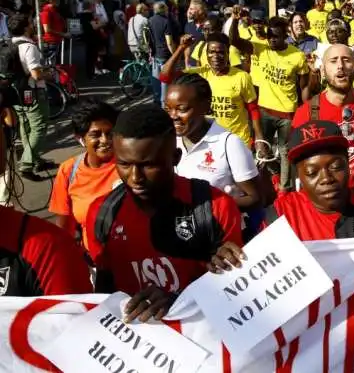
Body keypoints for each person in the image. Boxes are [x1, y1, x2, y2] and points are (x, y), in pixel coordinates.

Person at [85, 104, 243, 322]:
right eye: (124, 164)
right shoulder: (101, 213)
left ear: (175, 158)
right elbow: (104, 292)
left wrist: (178, 302)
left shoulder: (215, 206)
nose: (135, 177)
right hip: (138, 345)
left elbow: (237, 292)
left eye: (148, 165)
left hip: (202, 335)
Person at [209, 121, 354, 264]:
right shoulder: (279, 217)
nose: (326, 178)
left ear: (348, 165)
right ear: (299, 175)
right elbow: (251, 266)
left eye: (335, 167)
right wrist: (229, 258)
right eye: (312, 172)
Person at [166, 74, 271, 239]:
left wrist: (207, 206)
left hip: (223, 241)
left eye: (182, 109)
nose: (173, 116)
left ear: (205, 107)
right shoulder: (169, 140)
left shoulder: (229, 143)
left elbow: (256, 199)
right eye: (168, 108)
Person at [292, 44, 354, 196]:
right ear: (323, 71)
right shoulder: (304, 113)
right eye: (333, 61)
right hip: (325, 203)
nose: (340, 66)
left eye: (346, 60)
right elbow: (298, 164)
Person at [230, 15, 309, 193]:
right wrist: (234, 20)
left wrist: (306, 110)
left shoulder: (297, 56)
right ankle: (272, 176)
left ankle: (285, 190)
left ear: (285, 35)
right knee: (262, 150)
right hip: (264, 112)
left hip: (287, 114)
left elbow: (303, 86)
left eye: (276, 36)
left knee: (285, 152)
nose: (272, 40)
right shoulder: (260, 49)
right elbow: (234, 41)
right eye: (270, 35)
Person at [161, 33, 263, 148]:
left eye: (220, 52)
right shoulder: (200, 74)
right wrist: (181, 48)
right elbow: (165, 76)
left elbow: (253, 109)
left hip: (237, 140)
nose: (216, 56)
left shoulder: (242, 77)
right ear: (206, 54)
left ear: (227, 54)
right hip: (208, 141)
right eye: (211, 52)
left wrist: (259, 138)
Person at [49, 99, 120, 246]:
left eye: (109, 133)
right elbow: (64, 227)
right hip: (91, 261)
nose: (105, 140)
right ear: (80, 139)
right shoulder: (68, 170)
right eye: (96, 134)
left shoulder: (128, 166)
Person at [9, 14, 52, 181]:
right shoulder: (29, 47)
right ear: (26, 27)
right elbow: (36, 74)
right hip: (33, 92)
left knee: (26, 126)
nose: (33, 25)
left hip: (16, 92)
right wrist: (49, 74)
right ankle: (27, 164)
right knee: (39, 126)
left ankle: (35, 159)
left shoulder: (9, 44)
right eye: (31, 23)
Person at [148, 1, 180, 106]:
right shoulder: (166, 22)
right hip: (165, 55)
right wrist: (175, 54)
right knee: (165, 83)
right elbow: (169, 42)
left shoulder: (150, 20)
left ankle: (157, 103)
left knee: (156, 82)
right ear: (164, 9)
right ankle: (164, 106)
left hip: (155, 54)